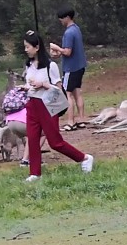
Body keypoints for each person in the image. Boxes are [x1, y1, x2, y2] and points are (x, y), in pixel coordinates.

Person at [21, 31, 92, 183]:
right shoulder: (29, 65)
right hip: (32, 105)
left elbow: (59, 89)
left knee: (55, 142)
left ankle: (84, 158)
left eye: (28, 47)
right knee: (32, 139)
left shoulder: (50, 66)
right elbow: (30, 84)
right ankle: (35, 173)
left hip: (47, 105)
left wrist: (44, 85)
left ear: (37, 47)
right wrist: (26, 87)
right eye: (25, 47)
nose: (26, 50)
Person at [55, 8, 88, 124]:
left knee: (66, 94)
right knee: (77, 93)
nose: (61, 21)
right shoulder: (76, 29)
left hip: (70, 68)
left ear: (67, 17)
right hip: (80, 66)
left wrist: (57, 48)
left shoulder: (68, 33)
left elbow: (68, 52)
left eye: (61, 19)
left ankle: (70, 122)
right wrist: (61, 52)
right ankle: (82, 119)